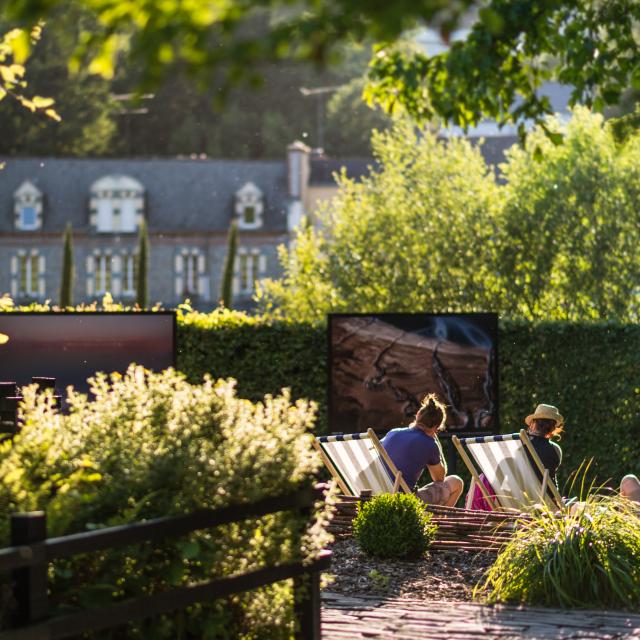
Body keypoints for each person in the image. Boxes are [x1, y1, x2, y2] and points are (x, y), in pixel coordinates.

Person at [380, 393, 464, 507]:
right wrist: (436, 441)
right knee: (456, 482)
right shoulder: (429, 443)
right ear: (436, 428)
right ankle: (437, 523)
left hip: (376, 494)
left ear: (418, 414)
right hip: (403, 502)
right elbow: (439, 478)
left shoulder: (393, 433)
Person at [524, 403, 564, 493]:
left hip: (520, 500)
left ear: (532, 424)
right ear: (553, 428)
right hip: (546, 502)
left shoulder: (519, 447)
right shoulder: (555, 450)